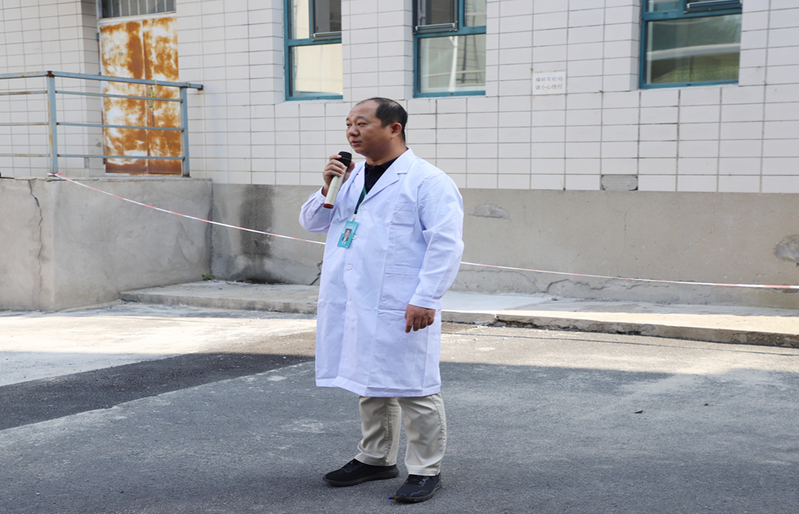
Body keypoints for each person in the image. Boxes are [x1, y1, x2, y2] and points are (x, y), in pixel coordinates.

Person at [299, 98, 464, 503]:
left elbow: (445, 244)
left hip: (402, 301)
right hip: (356, 298)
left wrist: (426, 297)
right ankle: (375, 458)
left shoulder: (427, 180)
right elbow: (312, 221)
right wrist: (327, 185)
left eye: (362, 123)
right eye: (348, 124)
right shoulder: (349, 176)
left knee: (414, 387)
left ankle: (425, 469)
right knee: (368, 382)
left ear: (394, 128)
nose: (352, 132)